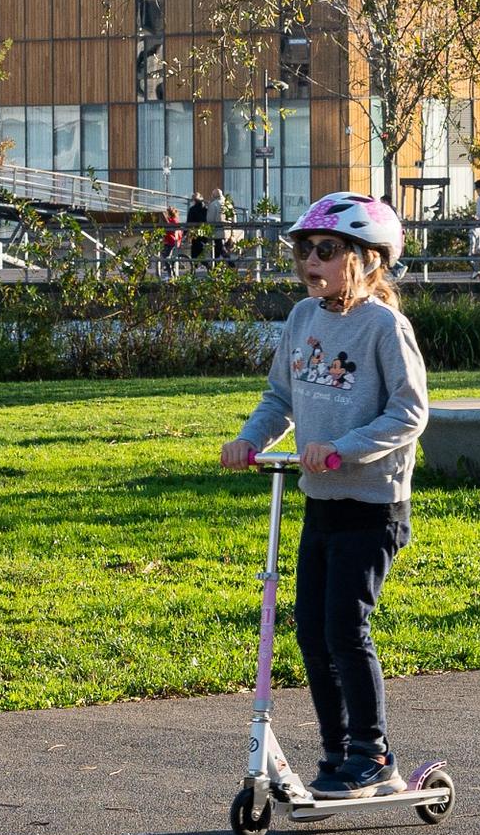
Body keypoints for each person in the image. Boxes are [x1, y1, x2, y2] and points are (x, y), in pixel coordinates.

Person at [219, 192, 428, 799]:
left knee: (345, 626)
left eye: (326, 250)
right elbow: (280, 398)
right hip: (320, 499)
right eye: (303, 249)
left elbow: (410, 413)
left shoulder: (385, 326)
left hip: (372, 502)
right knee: (311, 627)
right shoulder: (302, 319)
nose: (311, 260)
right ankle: (338, 753)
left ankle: (373, 753)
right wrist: (249, 440)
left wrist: (344, 448)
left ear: (367, 259)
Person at [185, 192, 209, 268]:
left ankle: (195, 267)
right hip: (204, 231)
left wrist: (184, 233)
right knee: (200, 250)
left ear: (194, 200)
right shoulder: (206, 209)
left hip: (195, 232)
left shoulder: (192, 210)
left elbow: (189, 222)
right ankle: (204, 265)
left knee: (195, 251)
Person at [159, 206, 182, 279]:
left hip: (171, 242)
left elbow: (169, 230)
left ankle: (170, 274)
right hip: (172, 241)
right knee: (165, 255)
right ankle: (170, 269)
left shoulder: (171, 221)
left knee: (166, 257)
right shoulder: (175, 220)